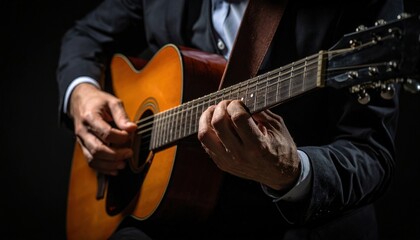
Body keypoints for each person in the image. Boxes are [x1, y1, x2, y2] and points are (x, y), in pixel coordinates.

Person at [57, 0, 404, 239]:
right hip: (175, 217)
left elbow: (372, 154)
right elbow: (86, 36)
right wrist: (81, 93)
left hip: (295, 227)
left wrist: (292, 171)